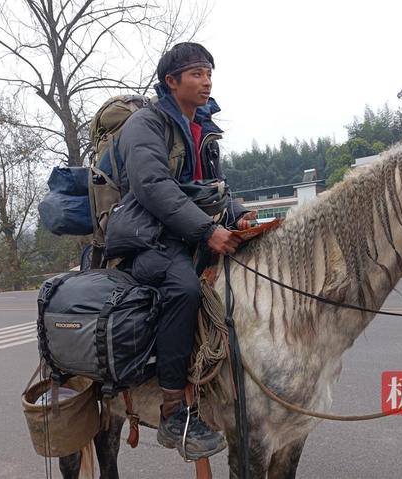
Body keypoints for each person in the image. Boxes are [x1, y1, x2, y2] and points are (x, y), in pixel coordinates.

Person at [117, 42, 256, 459]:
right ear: (170, 81)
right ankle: (175, 408)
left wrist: (240, 214)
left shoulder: (205, 129)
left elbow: (214, 189)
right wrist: (206, 229)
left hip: (192, 232)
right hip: (149, 237)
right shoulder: (146, 123)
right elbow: (151, 186)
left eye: (209, 71)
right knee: (185, 289)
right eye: (195, 73)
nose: (206, 79)